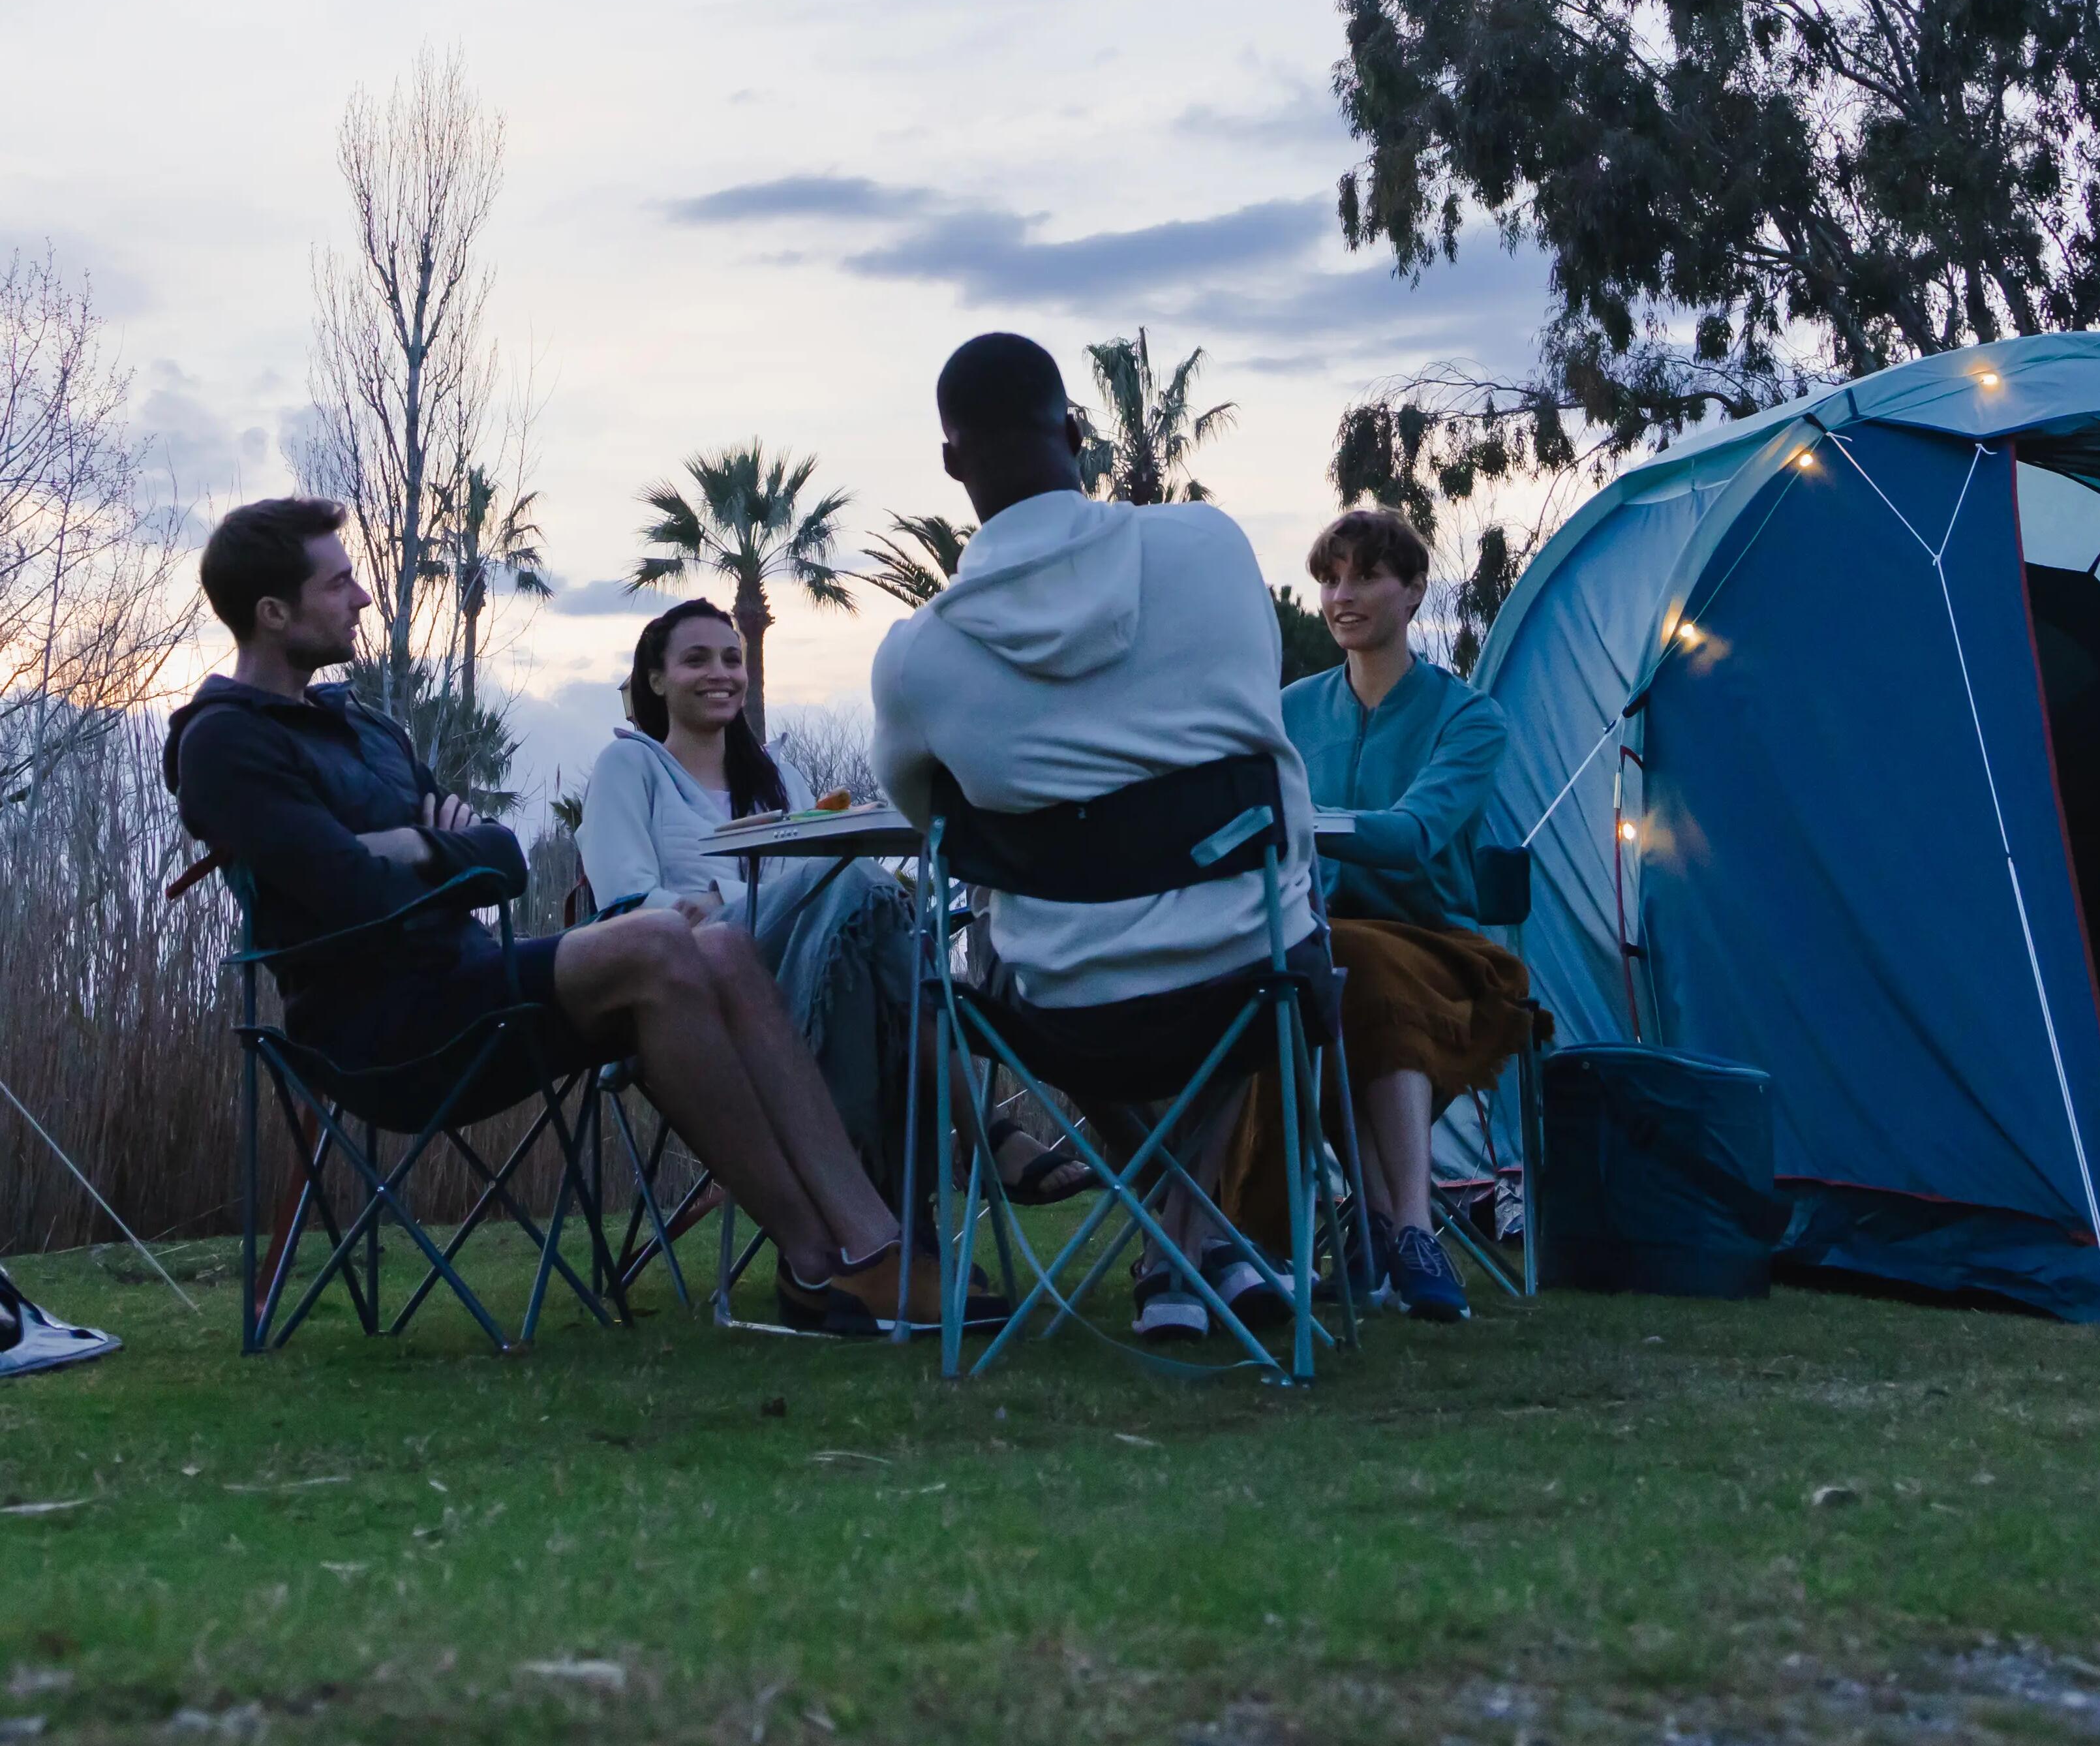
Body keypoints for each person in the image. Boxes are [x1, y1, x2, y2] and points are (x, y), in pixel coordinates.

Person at [168, 496, 960, 1340]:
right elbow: (352, 894)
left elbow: (504, 859)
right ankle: (820, 1255)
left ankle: (859, 1246)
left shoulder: (366, 730)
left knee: (721, 947)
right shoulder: (225, 744)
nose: (362, 597)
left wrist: (410, 846)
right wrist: (431, 851)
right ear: (273, 612)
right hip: (379, 1031)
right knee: (661, 939)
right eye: (340, 583)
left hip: (468, 986)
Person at [868, 332, 1326, 1340]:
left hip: (1061, 1002)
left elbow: (931, 820)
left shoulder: (917, 658)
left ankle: (1183, 1242)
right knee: (1259, 942)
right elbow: (1254, 715)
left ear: (951, 464)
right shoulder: (1209, 547)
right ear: (1075, 432)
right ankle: (1193, 1243)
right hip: (1249, 971)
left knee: (1039, 956)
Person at [581, 600, 1020, 1213]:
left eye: (733, 659)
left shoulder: (779, 774)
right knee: (868, 894)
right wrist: (740, 903)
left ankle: (891, 1231)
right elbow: (627, 902)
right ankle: (975, 1144)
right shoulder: (630, 765)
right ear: (656, 679)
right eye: (696, 659)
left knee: (870, 927)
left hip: (811, 965)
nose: (722, 673)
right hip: (696, 976)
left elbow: (825, 880)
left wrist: (717, 898)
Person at [1262, 506, 1529, 1324]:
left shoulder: (1468, 718)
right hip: (1315, 935)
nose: (1341, 595)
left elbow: (1415, 837)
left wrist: (1300, 824)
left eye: (1365, 576)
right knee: (1296, 974)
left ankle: (1405, 1223)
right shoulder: (1287, 710)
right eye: (1329, 578)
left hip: (1438, 947)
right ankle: (1376, 1224)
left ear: (1413, 591)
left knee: (1358, 970)